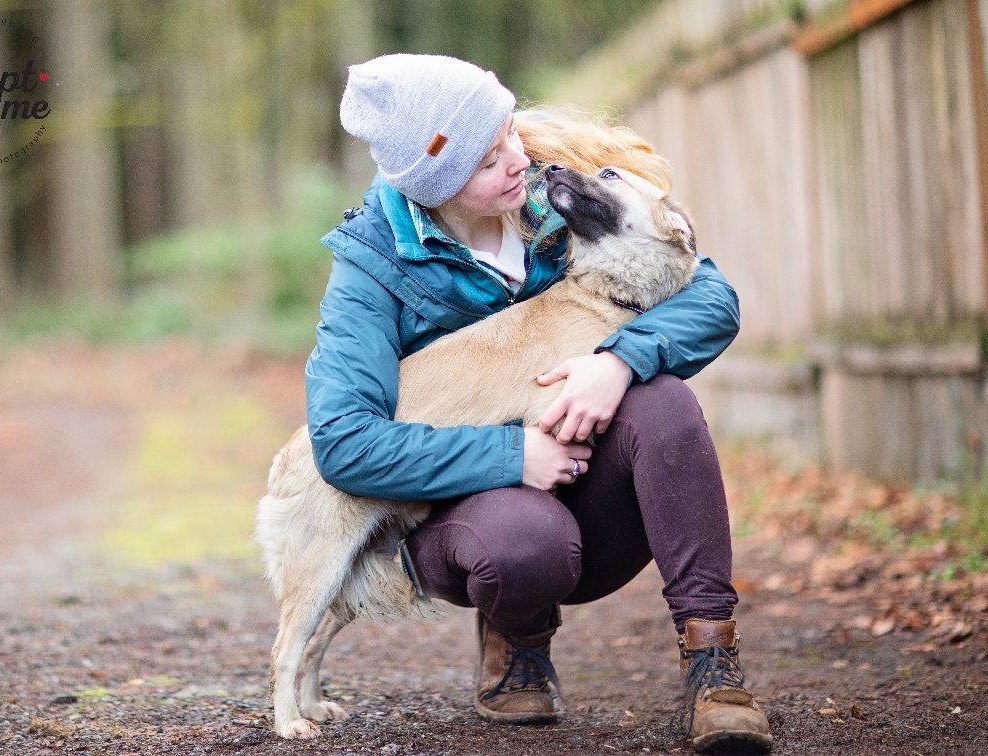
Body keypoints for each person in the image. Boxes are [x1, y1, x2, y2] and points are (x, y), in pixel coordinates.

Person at [305, 53, 773, 755]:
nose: (519, 158)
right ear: (437, 186)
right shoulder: (373, 263)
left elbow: (707, 294)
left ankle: (713, 664)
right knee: (523, 542)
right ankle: (516, 633)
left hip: (591, 478)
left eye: (511, 133)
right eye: (489, 158)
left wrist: (618, 362)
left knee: (665, 403)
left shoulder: (555, 181)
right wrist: (512, 453)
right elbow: (344, 441)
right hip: (471, 510)